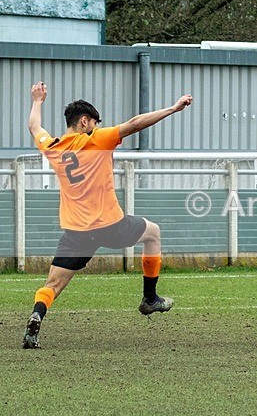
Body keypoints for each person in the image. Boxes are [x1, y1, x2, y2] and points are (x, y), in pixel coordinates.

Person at [22, 81, 193, 349]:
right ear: (84, 122)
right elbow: (135, 123)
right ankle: (150, 299)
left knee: (53, 284)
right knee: (154, 232)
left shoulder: (53, 147)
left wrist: (37, 101)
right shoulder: (96, 140)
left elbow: (35, 127)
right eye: (96, 123)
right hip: (111, 225)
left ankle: (37, 315)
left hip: (76, 232)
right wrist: (172, 109)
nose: (99, 128)